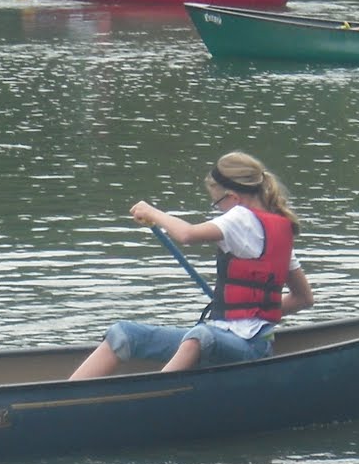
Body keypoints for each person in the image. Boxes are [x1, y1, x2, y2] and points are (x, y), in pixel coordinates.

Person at [70, 151, 314, 379]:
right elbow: (304, 298)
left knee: (200, 335)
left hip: (250, 348)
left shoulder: (240, 216)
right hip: (224, 338)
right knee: (123, 333)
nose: (218, 210)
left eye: (216, 203)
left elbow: (187, 235)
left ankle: (153, 400)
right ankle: (69, 394)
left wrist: (152, 212)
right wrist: (253, 311)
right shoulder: (280, 231)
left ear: (233, 197)